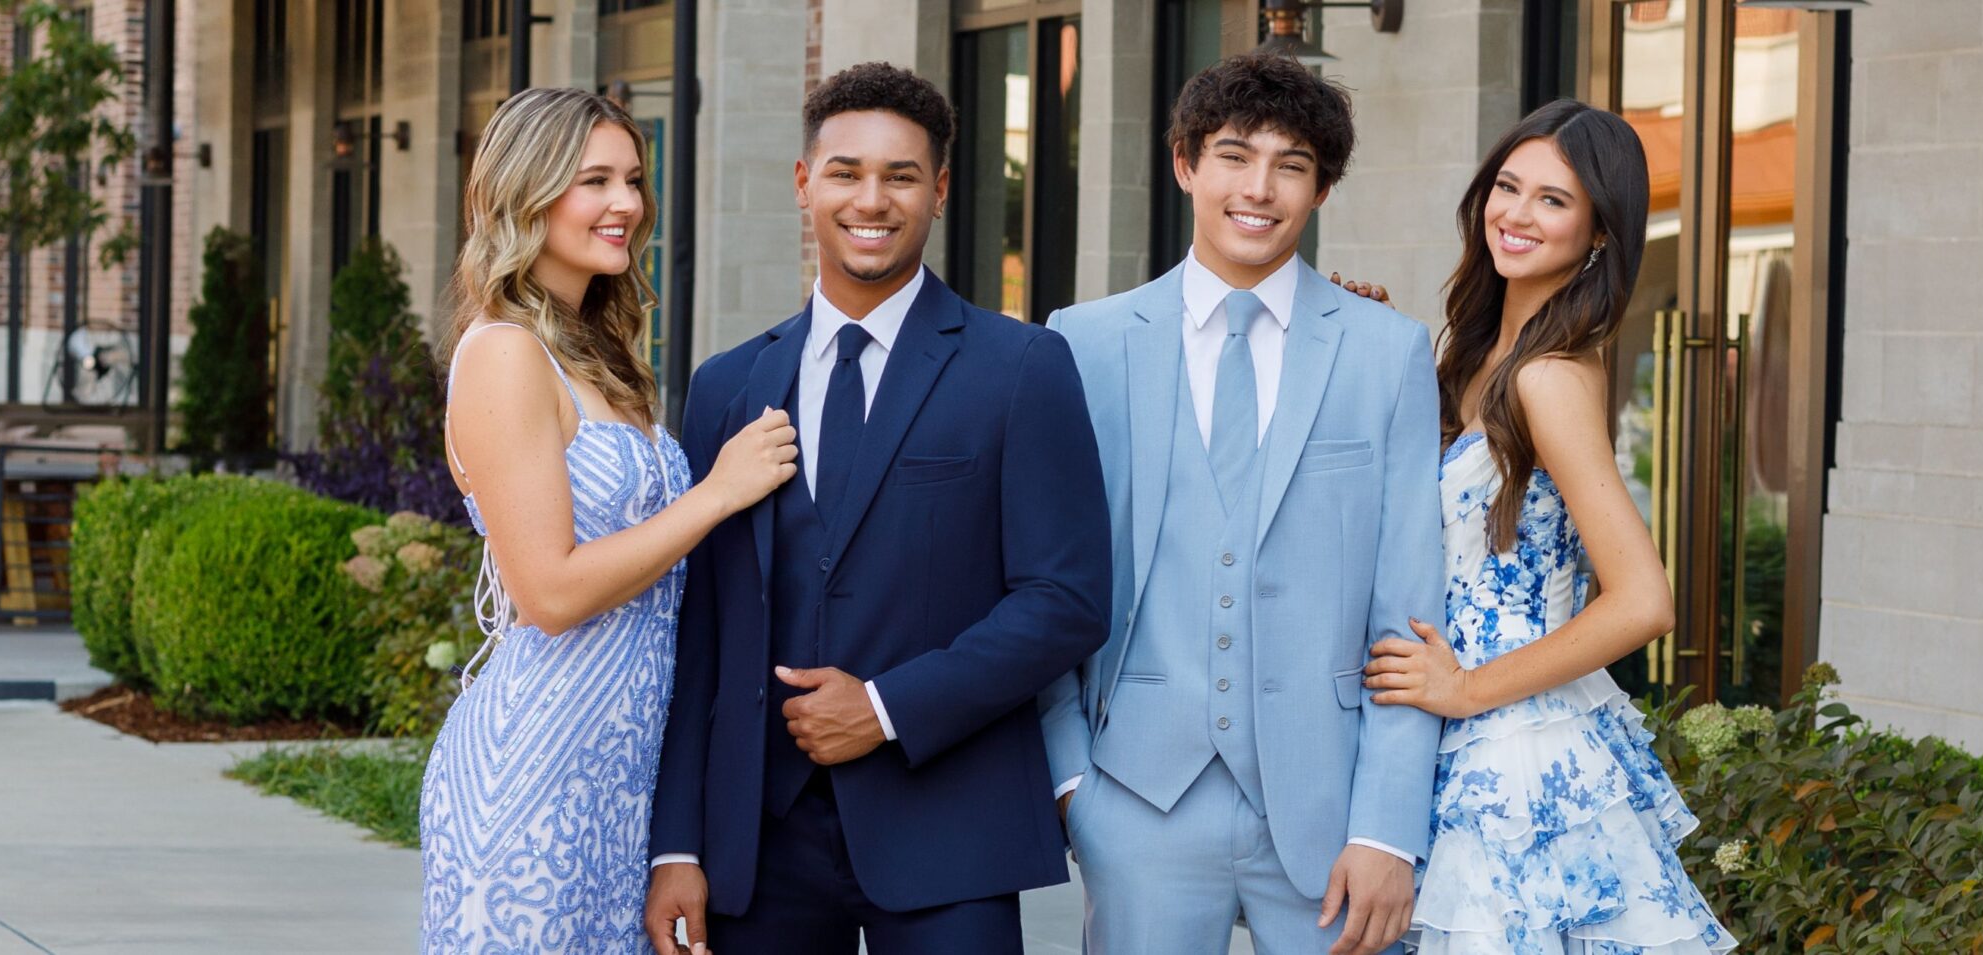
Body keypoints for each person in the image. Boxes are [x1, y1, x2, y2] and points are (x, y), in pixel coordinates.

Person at [641, 62, 1112, 955]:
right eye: (846, 171)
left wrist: (888, 707)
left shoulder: (1020, 367)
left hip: (949, 827)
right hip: (757, 841)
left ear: (939, 191)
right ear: (802, 183)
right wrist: (679, 842)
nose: (872, 199)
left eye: (901, 176)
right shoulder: (727, 386)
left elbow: (1067, 600)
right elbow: (698, 633)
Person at [1037, 51, 1443, 955]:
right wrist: (1074, 787)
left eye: (1291, 165)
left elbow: (1409, 610)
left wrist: (1385, 828)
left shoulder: (1387, 352)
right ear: (1185, 165)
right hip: (1136, 799)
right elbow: (1047, 581)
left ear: (1321, 189)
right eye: (1233, 155)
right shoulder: (1084, 343)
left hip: (1334, 810)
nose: (1258, 188)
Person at [416, 87, 801, 953]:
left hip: (617, 776)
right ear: (526, 192)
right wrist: (717, 492)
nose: (626, 202)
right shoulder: (505, 351)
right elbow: (547, 590)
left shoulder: (595, 347)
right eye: (594, 180)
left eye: (632, 178)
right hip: (536, 770)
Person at [1360, 98, 1736, 954]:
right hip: (1455, 733)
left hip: (1511, 743)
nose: (1517, 214)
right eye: (1508, 186)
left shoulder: (1550, 375)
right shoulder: (1485, 347)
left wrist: (1465, 689)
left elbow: (1644, 599)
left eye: (1553, 200)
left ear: (1600, 232)